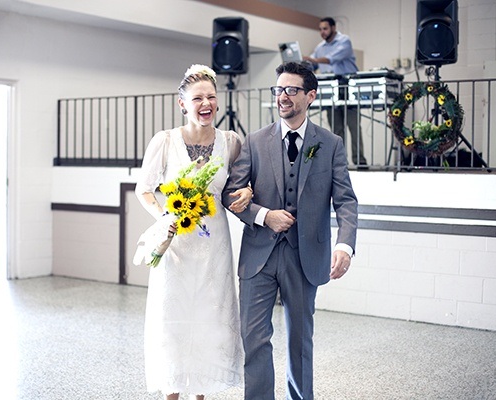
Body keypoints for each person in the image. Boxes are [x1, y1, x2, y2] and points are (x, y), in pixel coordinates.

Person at [222, 61, 358, 400]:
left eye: (291, 90)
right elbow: (231, 195)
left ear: (310, 96)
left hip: (305, 257)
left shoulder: (330, 144)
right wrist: (264, 215)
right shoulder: (253, 141)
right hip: (258, 257)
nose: (282, 96)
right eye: (278, 89)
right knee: (254, 339)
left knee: (300, 341)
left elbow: (346, 201)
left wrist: (345, 246)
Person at [135, 64, 252, 400]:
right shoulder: (165, 140)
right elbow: (144, 189)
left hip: (215, 246)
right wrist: (164, 216)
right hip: (176, 247)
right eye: (197, 98)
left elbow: (237, 188)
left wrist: (249, 193)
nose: (206, 104)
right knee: (172, 319)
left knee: (208, 322)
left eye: (211, 97)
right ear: (182, 103)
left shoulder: (231, 142)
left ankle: (200, 395)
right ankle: (171, 394)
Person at [303, 17, 368, 167]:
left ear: (333, 27)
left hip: (347, 85)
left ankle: (360, 162)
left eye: (325, 28)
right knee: (336, 128)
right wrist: (302, 63)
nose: (322, 32)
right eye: (320, 29)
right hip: (331, 88)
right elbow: (312, 65)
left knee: (353, 126)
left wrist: (313, 60)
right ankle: (341, 164)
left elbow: (330, 59)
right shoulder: (320, 46)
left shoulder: (344, 41)